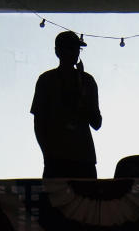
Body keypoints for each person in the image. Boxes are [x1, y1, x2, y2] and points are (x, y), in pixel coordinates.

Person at [31, 31, 102, 178]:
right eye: (70, 48)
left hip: (81, 159)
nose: (75, 53)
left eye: (76, 49)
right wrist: (48, 155)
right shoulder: (46, 81)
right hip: (59, 159)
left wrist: (82, 94)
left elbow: (97, 122)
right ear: (58, 51)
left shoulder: (87, 81)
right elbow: (39, 123)